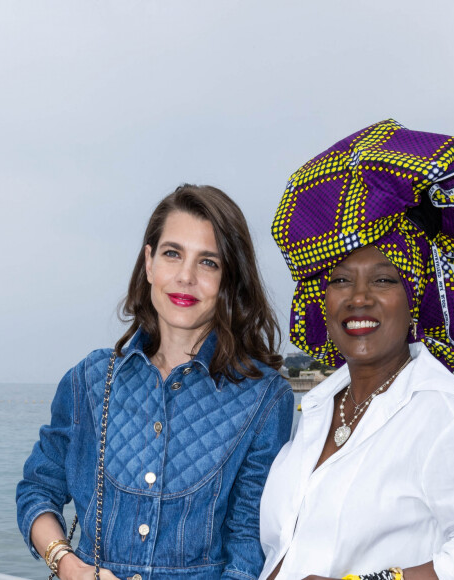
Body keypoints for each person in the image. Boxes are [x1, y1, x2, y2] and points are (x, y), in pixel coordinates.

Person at [259, 120, 454, 580]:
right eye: (340, 279)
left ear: (414, 293)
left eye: (384, 279)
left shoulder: (443, 416)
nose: (358, 298)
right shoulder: (318, 408)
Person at [17, 184, 294, 580]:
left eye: (208, 263)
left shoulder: (265, 397)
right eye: (172, 254)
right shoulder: (90, 380)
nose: (185, 277)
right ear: (149, 263)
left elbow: (249, 549)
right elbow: (37, 489)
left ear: (229, 279)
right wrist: (66, 563)